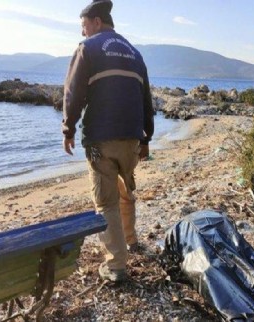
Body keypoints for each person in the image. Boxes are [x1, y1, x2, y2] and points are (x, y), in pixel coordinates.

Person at [61, 0, 154, 282]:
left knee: (106, 202)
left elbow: (73, 92)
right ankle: (131, 240)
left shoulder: (87, 49)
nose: (83, 32)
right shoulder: (134, 53)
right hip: (132, 139)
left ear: (97, 22)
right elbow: (145, 99)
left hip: (102, 138)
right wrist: (147, 138)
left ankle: (116, 266)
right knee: (125, 189)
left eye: (84, 26)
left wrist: (68, 129)